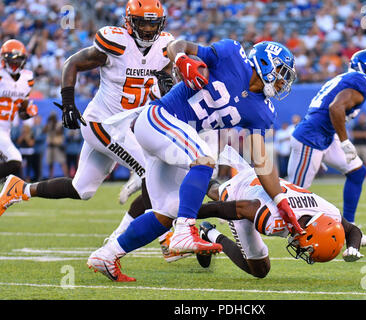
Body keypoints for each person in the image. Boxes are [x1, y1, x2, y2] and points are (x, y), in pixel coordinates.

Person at [86, 39, 301, 281]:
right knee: (205, 160)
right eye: (282, 72)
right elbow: (179, 45)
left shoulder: (262, 110)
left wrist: (280, 200)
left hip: (172, 139)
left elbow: (262, 161)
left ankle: (107, 255)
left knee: (164, 213)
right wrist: (181, 59)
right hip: (159, 118)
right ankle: (185, 230)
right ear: (265, 62)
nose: (284, 82)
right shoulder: (231, 55)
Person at [0, 0, 175, 218]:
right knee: (150, 172)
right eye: (143, 23)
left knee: (81, 189)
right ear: (129, 22)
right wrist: (68, 104)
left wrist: (168, 80)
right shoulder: (116, 43)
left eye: (153, 24)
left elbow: (167, 73)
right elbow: (72, 63)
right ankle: (160, 238)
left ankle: (20, 188)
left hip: (123, 128)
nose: (148, 30)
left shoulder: (165, 46)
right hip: (102, 123)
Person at [195, 146, 364, 278]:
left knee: (216, 192)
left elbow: (352, 230)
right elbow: (231, 209)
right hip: (244, 193)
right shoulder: (272, 218)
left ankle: (205, 222)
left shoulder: (329, 215)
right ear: (311, 233)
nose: (304, 251)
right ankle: (209, 231)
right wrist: (186, 212)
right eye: (309, 249)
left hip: (262, 190)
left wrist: (353, 248)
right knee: (259, 270)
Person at [287, 49, 366, 247]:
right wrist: (344, 141)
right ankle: (242, 208)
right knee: (293, 196)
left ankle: (349, 229)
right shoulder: (360, 80)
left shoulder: (347, 78)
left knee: (357, 172)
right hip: (312, 139)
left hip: (325, 135)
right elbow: (336, 108)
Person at [0, 39, 38, 184]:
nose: (15, 63)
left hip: (6, 129)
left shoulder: (27, 79)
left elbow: (22, 111)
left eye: (18, 60)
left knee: (13, 163)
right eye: (11, 60)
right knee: (15, 160)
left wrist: (27, 111)